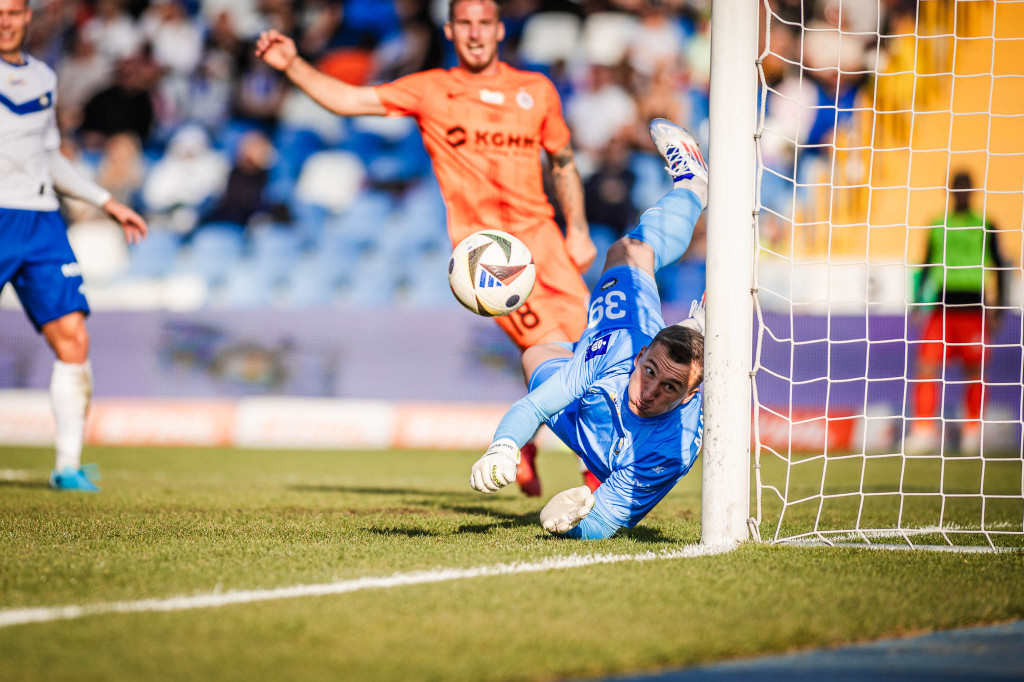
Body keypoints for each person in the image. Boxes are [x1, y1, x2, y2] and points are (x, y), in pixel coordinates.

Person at [255, 0, 598, 496]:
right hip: (489, 259)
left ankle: (526, 442)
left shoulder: (535, 90)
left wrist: (580, 229)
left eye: (485, 23)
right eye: (466, 24)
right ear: (450, 30)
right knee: (554, 357)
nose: (476, 33)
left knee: (590, 349)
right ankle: (594, 474)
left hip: (545, 240)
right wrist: (292, 64)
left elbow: (562, 159)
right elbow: (350, 101)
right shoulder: (432, 89)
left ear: (500, 29)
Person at [470, 118, 707, 540]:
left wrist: (566, 525)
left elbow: (606, 525)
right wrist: (503, 446)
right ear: (639, 357)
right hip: (613, 353)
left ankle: (595, 474)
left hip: (624, 454)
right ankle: (693, 187)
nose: (650, 391)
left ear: (690, 395)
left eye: (670, 388)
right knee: (627, 251)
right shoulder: (617, 349)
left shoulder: (674, 447)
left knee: (539, 355)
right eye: (650, 372)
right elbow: (534, 406)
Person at [0, 0, 147, 491]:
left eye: (15, 12)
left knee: (74, 339)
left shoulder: (42, 77)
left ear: (28, 18)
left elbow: (49, 158)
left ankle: (67, 466)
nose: (6, 20)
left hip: (41, 221)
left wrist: (106, 200)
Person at [906, 170, 1007, 456]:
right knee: (926, 365)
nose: (962, 194)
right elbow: (925, 265)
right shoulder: (938, 225)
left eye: (966, 189)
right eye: (957, 189)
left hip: (974, 308)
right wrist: (917, 303)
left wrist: (999, 307)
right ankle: (924, 430)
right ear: (951, 191)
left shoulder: (986, 225)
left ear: (972, 191)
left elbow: (1000, 267)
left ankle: (972, 431)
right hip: (942, 307)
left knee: (975, 371)